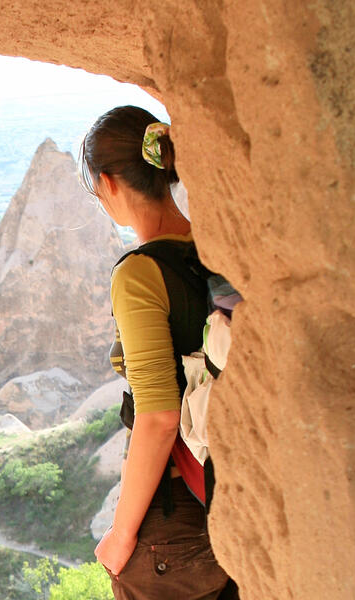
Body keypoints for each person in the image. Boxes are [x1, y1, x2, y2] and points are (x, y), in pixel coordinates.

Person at [81, 105, 238, 599]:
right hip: (232, 492)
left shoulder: (139, 273)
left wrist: (121, 536)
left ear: (108, 184)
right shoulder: (219, 246)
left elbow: (159, 417)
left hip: (174, 520)